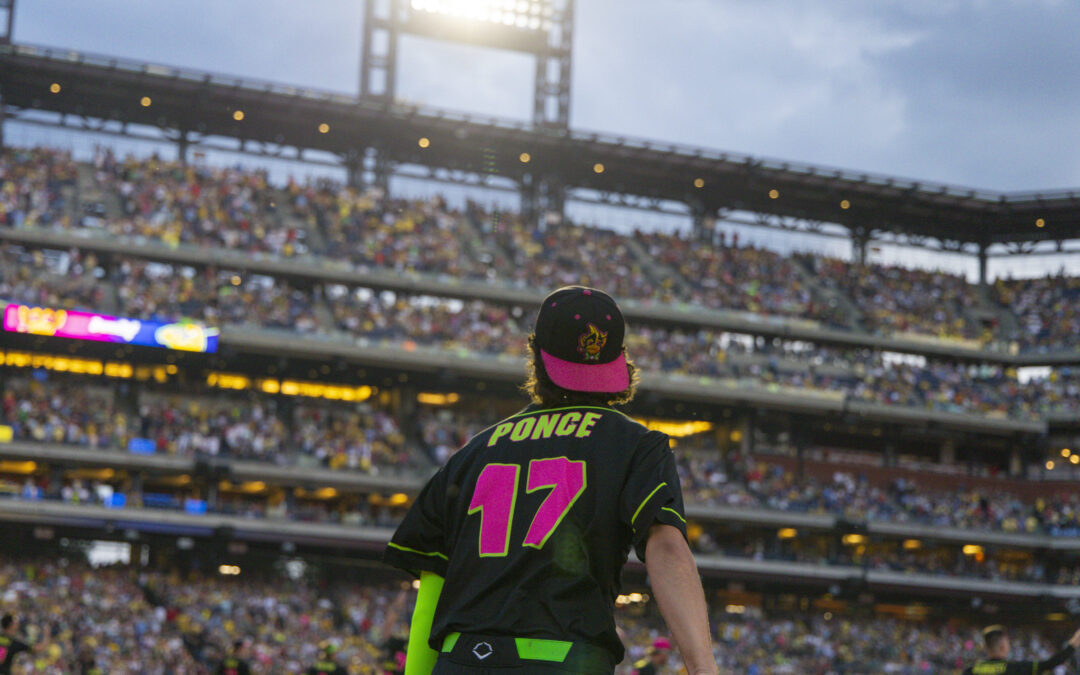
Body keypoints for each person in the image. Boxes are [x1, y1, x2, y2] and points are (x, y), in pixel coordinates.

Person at [385, 286, 716, 675]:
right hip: (567, 660)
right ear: (619, 363)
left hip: (462, 660)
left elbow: (434, 585)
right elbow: (667, 549)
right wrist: (703, 666)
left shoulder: (471, 454)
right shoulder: (636, 445)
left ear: (537, 358)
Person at [961, 624, 1080, 675]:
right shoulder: (1015, 668)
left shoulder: (971, 671)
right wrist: (1075, 642)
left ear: (986, 647)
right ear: (1003, 646)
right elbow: (1050, 664)